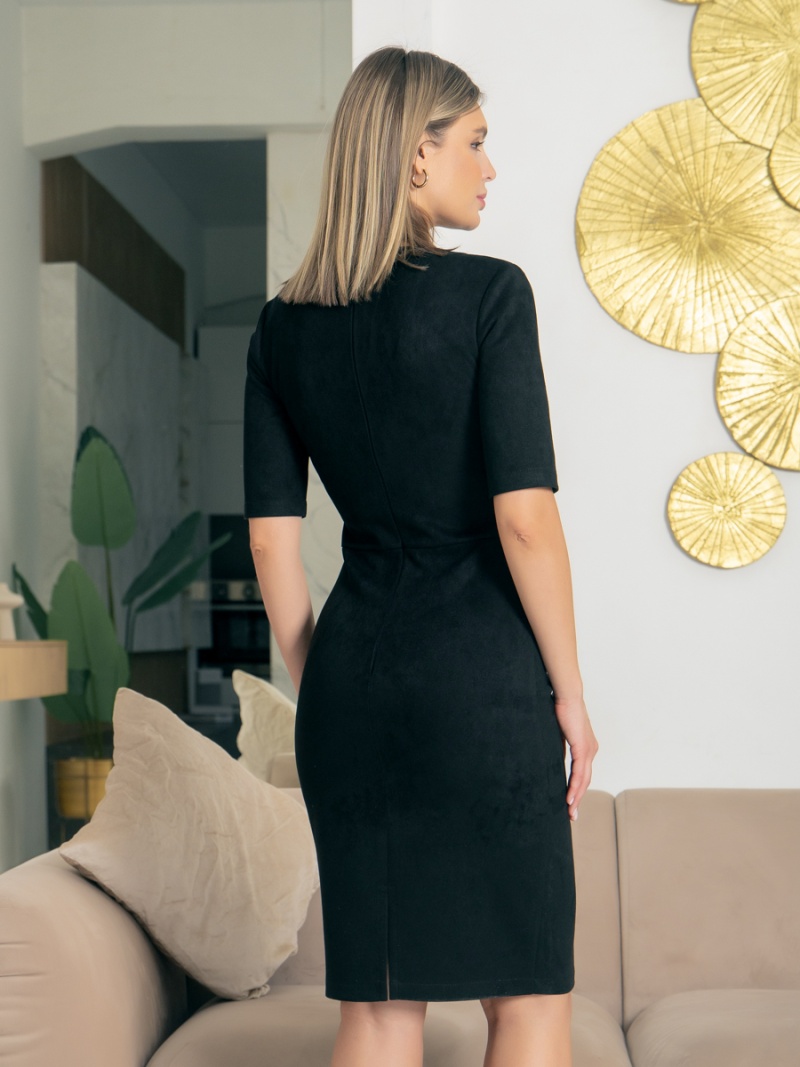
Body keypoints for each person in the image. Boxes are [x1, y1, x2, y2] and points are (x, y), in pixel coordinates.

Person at [243, 45, 598, 1067]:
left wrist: (320, 677)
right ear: (414, 155)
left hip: (354, 685)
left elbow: (271, 541)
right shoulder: (490, 295)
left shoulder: (281, 330)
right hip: (481, 685)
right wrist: (570, 695)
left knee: (377, 1006)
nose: (489, 168)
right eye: (474, 143)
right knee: (527, 998)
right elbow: (524, 520)